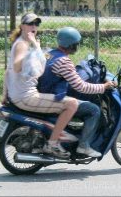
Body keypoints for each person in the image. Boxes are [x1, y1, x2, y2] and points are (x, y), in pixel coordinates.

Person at [1, 13, 78, 159]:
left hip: (17, 95)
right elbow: (17, 67)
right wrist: (36, 45)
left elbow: (8, 70)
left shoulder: (19, 42)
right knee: (72, 104)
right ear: (22, 26)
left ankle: (49, 135)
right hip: (26, 97)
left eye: (36, 24)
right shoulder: (23, 44)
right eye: (30, 24)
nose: (34, 27)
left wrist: (4, 94)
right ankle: (53, 144)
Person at [38, 27, 116, 158]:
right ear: (71, 44)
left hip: (45, 93)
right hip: (54, 98)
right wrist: (103, 86)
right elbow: (81, 87)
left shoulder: (50, 54)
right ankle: (83, 146)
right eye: (76, 44)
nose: (77, 46)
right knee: (94, 110)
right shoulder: (64, 61)